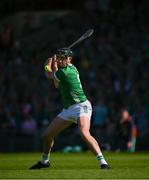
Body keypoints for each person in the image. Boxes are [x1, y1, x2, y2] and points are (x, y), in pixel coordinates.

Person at [30, 48, 110, 169]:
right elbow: (57, 84)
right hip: (68, 109)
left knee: (84, 132)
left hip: (82, 106)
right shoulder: (69, 68)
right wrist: (55, 64)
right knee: (47, 135)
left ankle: (103, 162)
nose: (61, 60)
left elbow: (48, 75)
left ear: (69, 59)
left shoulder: (67, 72)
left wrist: (47, 64)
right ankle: (44, 161)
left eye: (64, 58)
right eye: (60, 58)